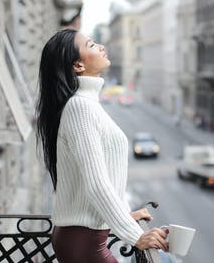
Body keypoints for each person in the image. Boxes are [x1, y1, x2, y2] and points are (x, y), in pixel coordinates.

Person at [36, 29, 168, 263]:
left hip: (84, 238)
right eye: (91, 45)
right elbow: (96, 183)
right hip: (83, 243)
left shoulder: (88, 103)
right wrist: (136, 235)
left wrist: (125, 217)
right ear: (78, 65)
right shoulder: (80, 107)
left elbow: (108, 176)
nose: (101, 46)